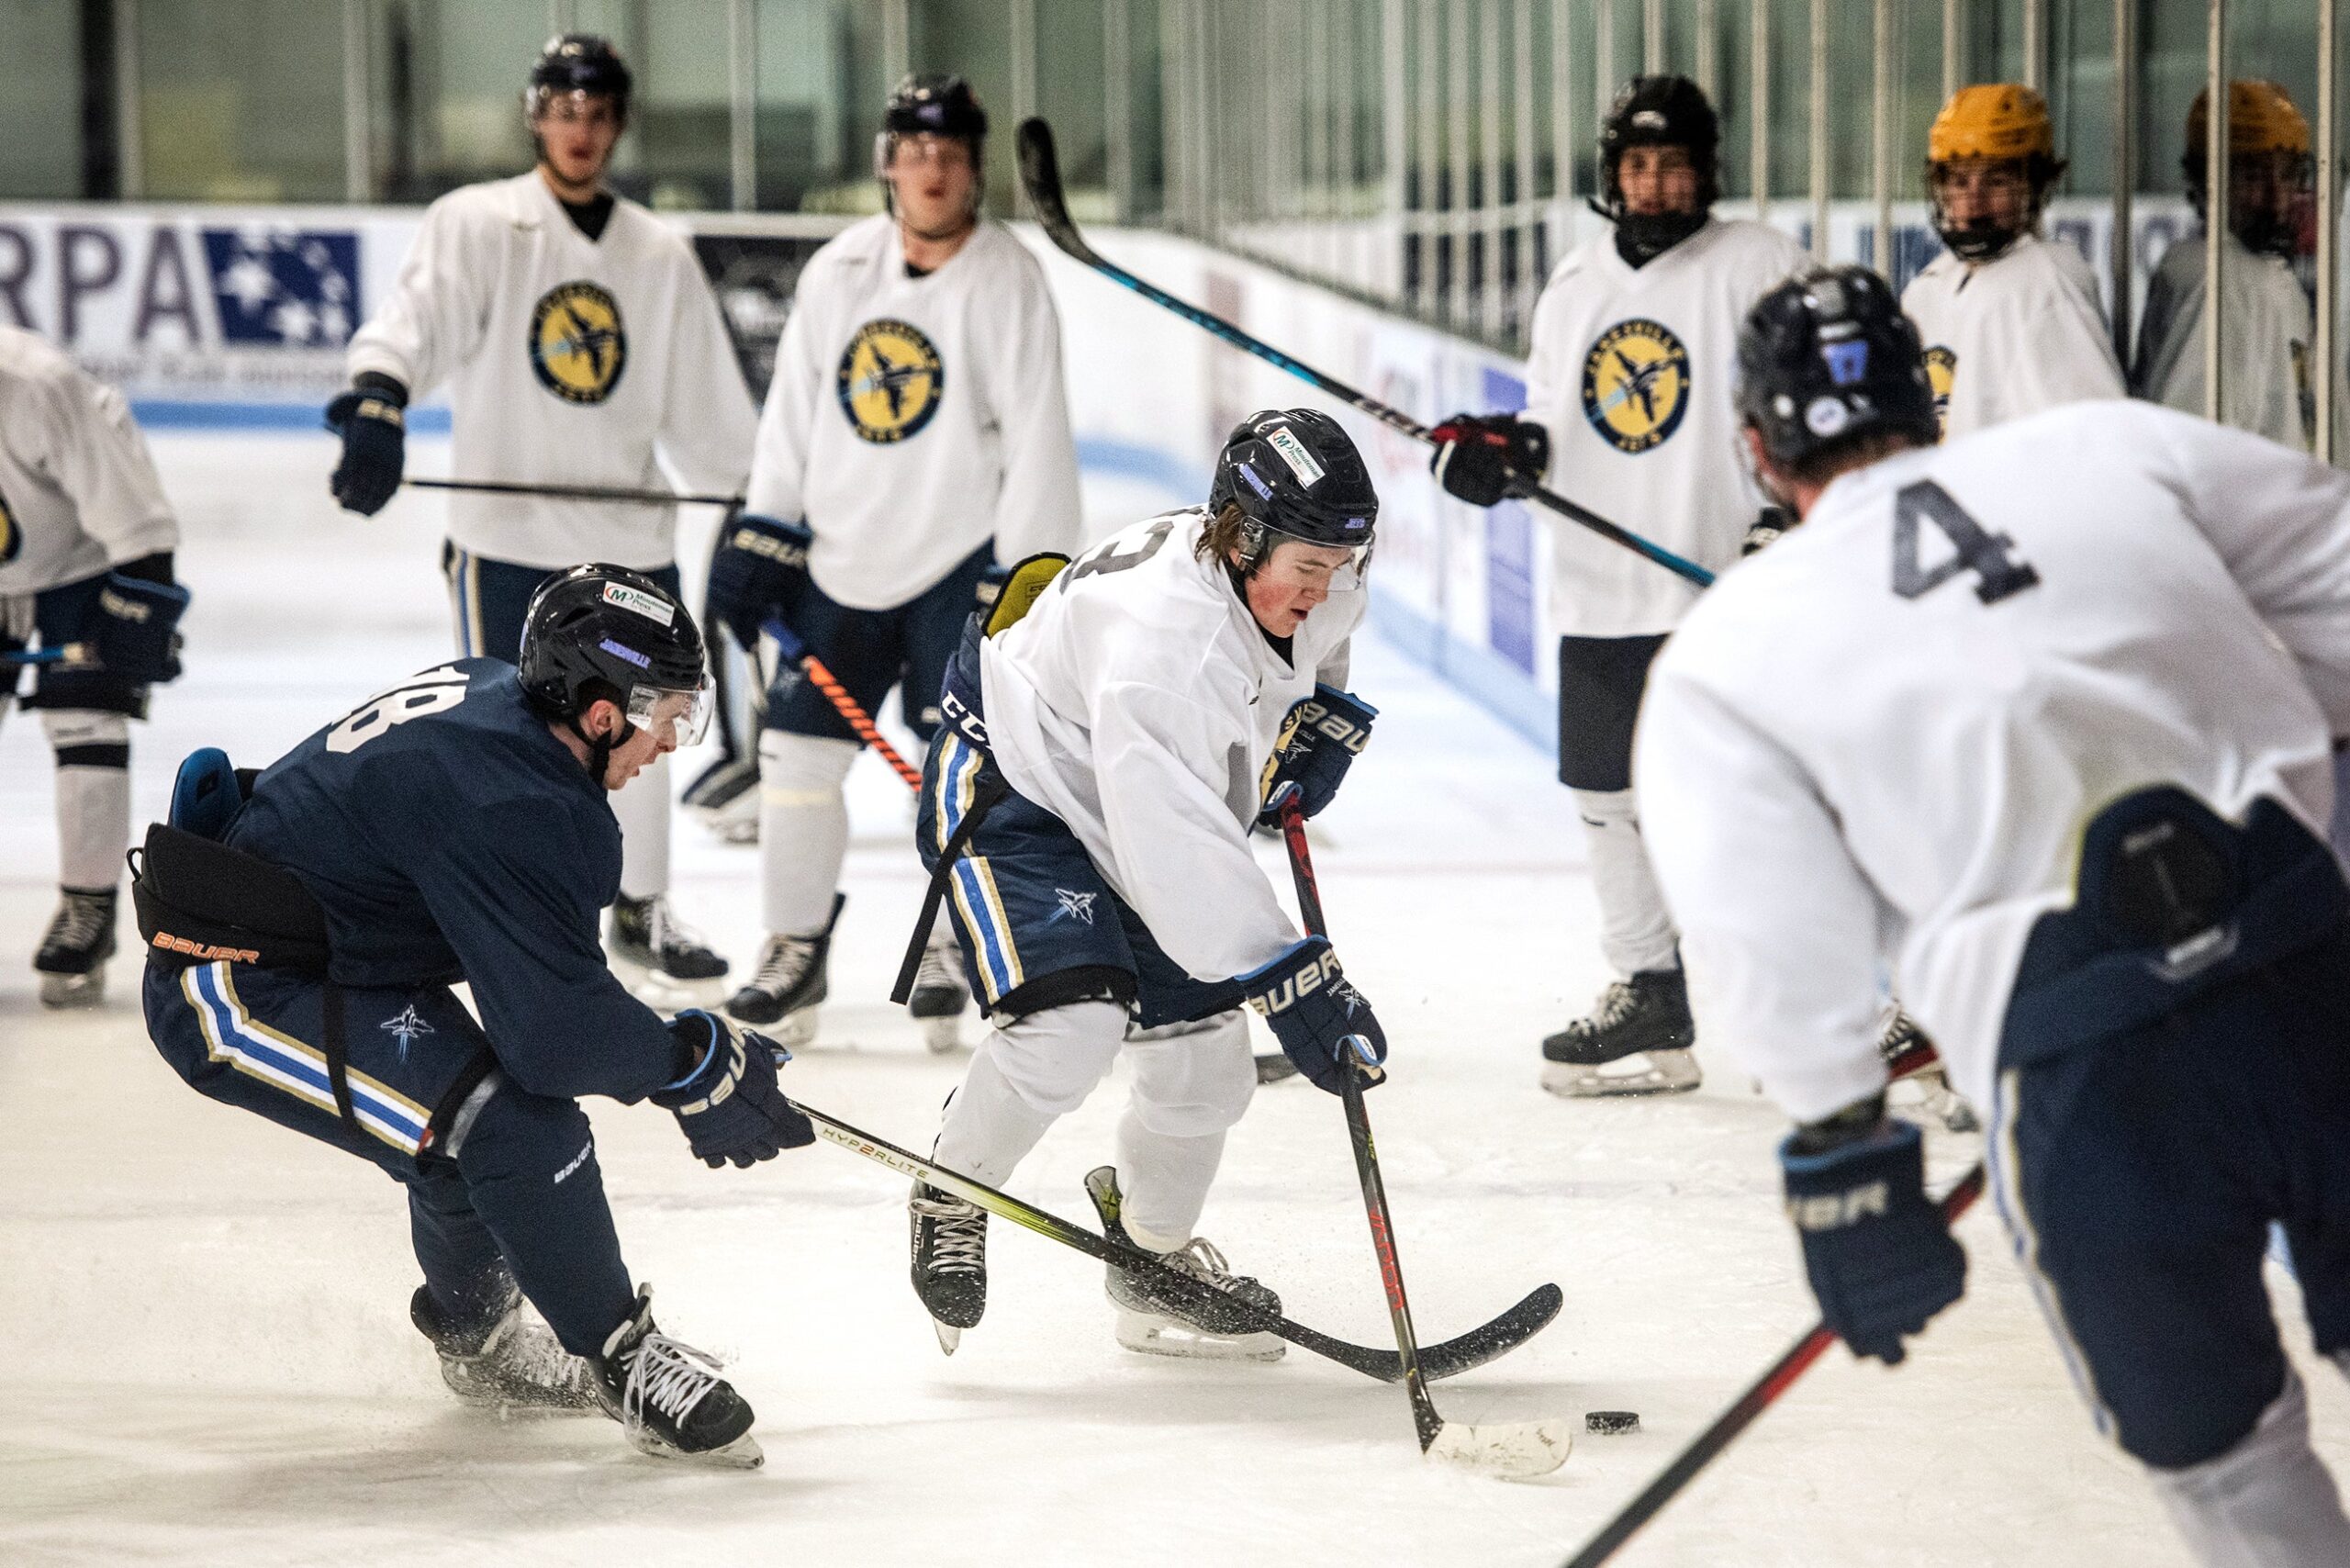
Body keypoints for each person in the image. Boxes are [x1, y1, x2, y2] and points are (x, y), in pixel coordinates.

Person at [1637, 263, 2350, 1566]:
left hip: (2092, 1076)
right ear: (1930, 396)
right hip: (2315, 959)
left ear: (1756, 447)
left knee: (2227, 1456)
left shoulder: (1724, 657)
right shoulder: (2115, 447)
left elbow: (1770, 936)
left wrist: (1842, 1149)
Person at [139, 566, 814, 1468]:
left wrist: (675, 1054)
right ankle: (626, 1359)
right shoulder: (517, 801)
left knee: (463, 1124)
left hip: (331, 952)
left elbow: (539, 981)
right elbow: (554, 1037)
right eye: (664, 715)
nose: (667, 742)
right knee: (503, 1123)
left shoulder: (503, 698)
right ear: (601, 709)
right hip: (235, 984)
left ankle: (482, 1345)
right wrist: (685, 1065)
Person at [902, 409, 1384, 1360]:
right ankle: (952, 1183)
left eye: (1341, 563)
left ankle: (1149, 1260)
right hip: (1021, 786)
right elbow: (1176, 850)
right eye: (1308, 567)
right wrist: (1287, 972)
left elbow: (1327, 631)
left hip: (1127, 784)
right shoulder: (1168, 648)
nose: (1327, 587)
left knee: (1206, 1076)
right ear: (1241, 539)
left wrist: (1319, 710)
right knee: (1068, 1027)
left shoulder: (1301, 569)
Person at [327, 33, 755, 996]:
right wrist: (379, 397)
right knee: (515, 739)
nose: (581, 131)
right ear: (535, 117)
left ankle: (641, 904)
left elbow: (710, 416)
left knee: (646, 724)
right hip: (508, 546)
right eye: (564, 111)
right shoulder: (476, 224)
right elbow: (413, 323)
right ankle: (525, 911)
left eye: (598, 114)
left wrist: (761, 510)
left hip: (631, 545)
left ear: (617, 124)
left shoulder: (659, 251)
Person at [1425, 74, 1806, 1097]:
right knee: (1603, 798)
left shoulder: (1760, 264)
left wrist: (1790, 517)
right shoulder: (1576, 285)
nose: (1653, 181)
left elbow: (1806, 402)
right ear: (1611, 174)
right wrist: (1494, 453)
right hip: (1600, 588)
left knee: (1756, 805)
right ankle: (1649, 989)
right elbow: (1546, 427)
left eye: (1673, 163)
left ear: (1705, 171)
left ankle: (1809, 1002)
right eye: (1637, 164)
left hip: (1724, 586)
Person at [704, 73, 1081, 1052]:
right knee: (794, 760)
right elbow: (792, 414)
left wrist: (1029, 575)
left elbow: (1040, 435)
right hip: (840, 558)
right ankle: (793, 951)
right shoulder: (839, 271)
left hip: (959, 563)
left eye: (950, 155)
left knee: (954, 768)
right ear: (887, 164)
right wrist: (764, 527)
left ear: (973, 170)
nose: (932, 170)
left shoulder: (1008, 279)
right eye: (915, 153)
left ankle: (958, 943)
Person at [0, 324, 188, 1006]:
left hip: (81, 555)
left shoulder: (36, 386)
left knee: (84, 719)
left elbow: (135, 515)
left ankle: (88, 906)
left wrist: (140, 604)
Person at [1902, 84, 2125, 438]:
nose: (1974, 203)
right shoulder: (1930, 284)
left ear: (2034, 187)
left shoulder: (2046, 283)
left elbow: (2092, 434)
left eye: (1997, 181)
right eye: (1960, 182)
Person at [2134, 80, 2319, 452]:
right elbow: (2192, 443)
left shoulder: (2264, 274)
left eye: (2286, 174)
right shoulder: (2220, 280)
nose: (2276, 197)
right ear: (2207, 181)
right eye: (2252, 176)